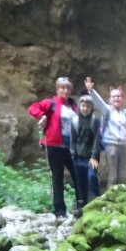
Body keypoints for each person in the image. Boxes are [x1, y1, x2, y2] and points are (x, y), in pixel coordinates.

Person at [28, 77, 78, 218]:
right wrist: (42, 115)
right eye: (62, 88)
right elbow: (33, 107)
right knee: (57, 177)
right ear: (57, 89)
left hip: (71, 146)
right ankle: (59, 211)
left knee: (77, 175)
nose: (65, 90)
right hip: (54, 145)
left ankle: (81, 205)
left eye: (68, 88)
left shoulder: (74, 105)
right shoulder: (51, 103)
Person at [69, 95, 102, 216]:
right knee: (80, 182)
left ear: (92, 108)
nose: (85, 109)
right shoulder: (75, 121)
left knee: (91, 177)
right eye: (83, 106)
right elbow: (73, 139)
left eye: (88, 106)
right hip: (78, 157)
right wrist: (72, 154)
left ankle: (96, 203)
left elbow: (96, 140)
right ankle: (81, 207)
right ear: (79, 106)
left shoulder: (95, 121)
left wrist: (94, 156)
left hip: (91, 158)